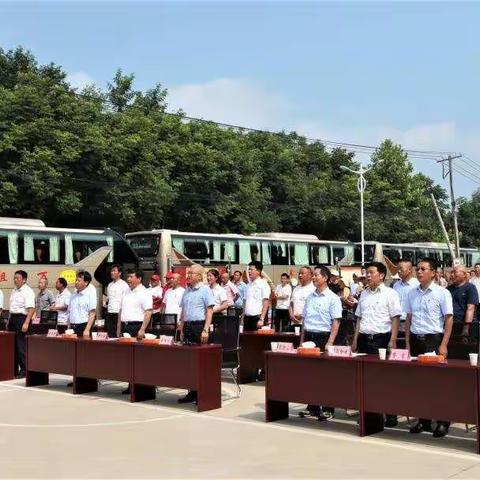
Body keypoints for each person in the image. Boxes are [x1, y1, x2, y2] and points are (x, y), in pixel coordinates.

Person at [405, 257, 453, 438]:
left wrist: (444, 344)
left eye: (423, 269)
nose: (419, 272)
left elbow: (449, 319)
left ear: (433, 273)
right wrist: (408, 343)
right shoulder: (411, 293)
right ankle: (423, 420)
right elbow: (409, 319)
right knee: (420, 384)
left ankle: (442, 421)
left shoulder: (442, 293)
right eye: (418, 269)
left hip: (434, 340)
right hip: (417, 340)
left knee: (438, 384)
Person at [352, 261, 402, 428]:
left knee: (385, 379)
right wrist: (354, 340)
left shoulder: (390, 293)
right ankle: (368, 413)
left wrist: (393, 340)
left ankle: (390, 414)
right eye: (366, 272)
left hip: (381, 339)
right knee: (365, 380)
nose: (367, 275)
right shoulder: (364, 294)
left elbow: (395, 317)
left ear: (381, 275)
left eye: (371, 272)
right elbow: (359, 318)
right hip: (364, 339)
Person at [299, 266, 342, 420]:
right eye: (314, 275)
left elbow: (336, 322)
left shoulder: (333, 298)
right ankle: (312, 407)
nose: (314, 277)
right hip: (309, 338)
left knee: (326, 375)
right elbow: (305, 321)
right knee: (309, 375)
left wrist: (330, 342)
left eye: (317, 275)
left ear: (325, 278)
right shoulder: (310, 297)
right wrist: (302, 341)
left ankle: (328, 408)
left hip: (324, 338)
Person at [177, 264, 215, 403]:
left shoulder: (205, 290)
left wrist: (205, 329)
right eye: (188, 273)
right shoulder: (186, 291)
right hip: (187, 326)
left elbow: (209, 311)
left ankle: (202, 393)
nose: (189, 275)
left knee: (201, 362)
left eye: (192, 273)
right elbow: (183, 312)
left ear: (199, 276)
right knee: (190, 363)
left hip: (199, 326)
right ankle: (192, 392)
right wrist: (181, 329)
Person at [117, 269, 153, 394]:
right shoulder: (126, 291)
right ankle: (130, 384)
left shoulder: (144, 292)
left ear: (139, 279)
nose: (128, 279)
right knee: (128, 358)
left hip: (137, 327)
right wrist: (119, 328)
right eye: (128, 277)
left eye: (131, 277)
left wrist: (142, 329)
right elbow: (121, 310)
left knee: (140, 358)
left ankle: (140, 385)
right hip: (126, 326)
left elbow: (148, 312)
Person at [8, 270, 35, 378]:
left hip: (22, 319)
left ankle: (25, 370)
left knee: (21, 346)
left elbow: (31, 308)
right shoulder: (14, 290)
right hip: (13, 319)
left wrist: (26, 323)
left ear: (24, 279)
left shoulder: (28, 291)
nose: (15, 280)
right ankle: (15, 369)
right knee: (12, 346)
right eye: (14, 278)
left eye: (17, 278)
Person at [448, 265, 478, 340]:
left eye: (455, 272)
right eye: (451, 272)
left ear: (464, 274)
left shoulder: (470, 288)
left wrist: (466, 329)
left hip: (463, 325)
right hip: (450, 325)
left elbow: (470, 309)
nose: (452, 275)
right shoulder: (448, 289)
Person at [242, 261, 270, 331]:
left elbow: (266, 302)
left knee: (256, 341)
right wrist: (242, 318)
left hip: (257, 318)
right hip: (247, 318)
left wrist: (262, 319)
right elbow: (245, 302)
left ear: (258, 271)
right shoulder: (248, 285)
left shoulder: (263, 284)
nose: (249, 271)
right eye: (249, 269)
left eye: (251, 269)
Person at [392, 259, 419, 331]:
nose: (399, 271)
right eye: (398, 268)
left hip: (411, 322)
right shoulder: (396, 285)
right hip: (396, 322)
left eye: (401, 269)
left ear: (410, 270)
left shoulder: (417, 285)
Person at [67, 271, 96, 338]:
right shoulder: (72, 296)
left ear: (86, 282)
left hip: (83, 326)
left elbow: (92, 313)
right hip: (72, 327)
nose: (76, 282)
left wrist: (87, 329)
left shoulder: (89, 295)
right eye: (76, 280)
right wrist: (68, 327)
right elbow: (69, 312)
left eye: (79, 280)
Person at [105, 264, 130, 338]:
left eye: (114, 271)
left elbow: (125, 301)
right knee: (110, 334)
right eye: (111, 271)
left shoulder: (124, 285)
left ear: (119, 273)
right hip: (110, 312)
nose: (112, 273)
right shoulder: (109, 285)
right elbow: (109, 299)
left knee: (118, 335)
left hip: (119, 313)